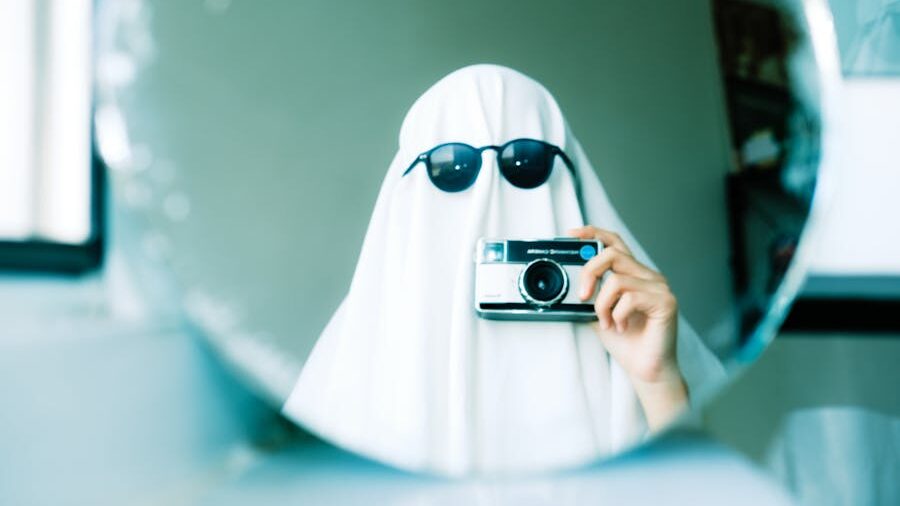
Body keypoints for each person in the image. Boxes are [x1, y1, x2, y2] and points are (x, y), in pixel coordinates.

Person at [283, 64, 723, 476]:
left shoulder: (641, 337)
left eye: (528, 163)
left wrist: (659, 384)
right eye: (450, 168)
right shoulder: (346, 372)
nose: (489, 195)